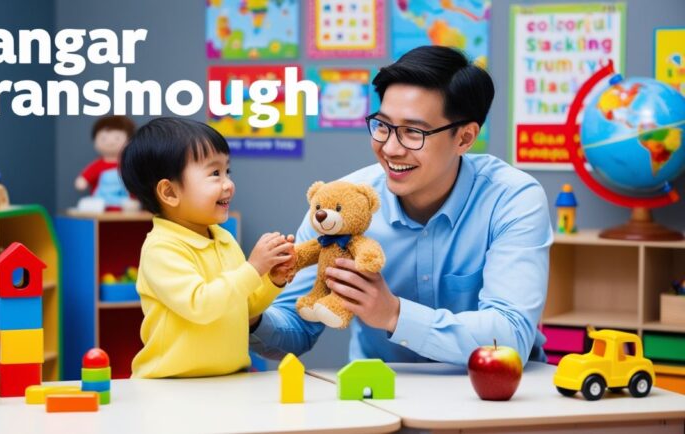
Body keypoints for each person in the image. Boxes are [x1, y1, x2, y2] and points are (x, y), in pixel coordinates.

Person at [249, 46, 553, 366]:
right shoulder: (339, 207)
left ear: (464, 138)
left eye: (413, 132)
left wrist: (394, 314)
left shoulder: (512, 199)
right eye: (382, 126)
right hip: (382, 395)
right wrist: (252, 317)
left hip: (498, 393)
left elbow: (511, 335)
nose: (390, 148)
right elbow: (295, 330)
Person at [120, 117, 295, 378]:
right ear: (169, 193)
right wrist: (253, 267)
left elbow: (242, 306)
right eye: (214, 174)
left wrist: (272, 279)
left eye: (227, 171)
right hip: (170, 385)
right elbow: (201, 305)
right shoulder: (161, 249)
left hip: (228, 378)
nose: (228, 184)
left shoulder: (223, 239)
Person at [75, 115, 136, 210]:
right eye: (104, 138)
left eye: (117, 138)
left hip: (124, 205)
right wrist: (82, 181)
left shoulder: (128, 165)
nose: (111, 142)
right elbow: (82, 182)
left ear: (129, 140)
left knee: (132, 205)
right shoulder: (98, 165)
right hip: (100, 205)